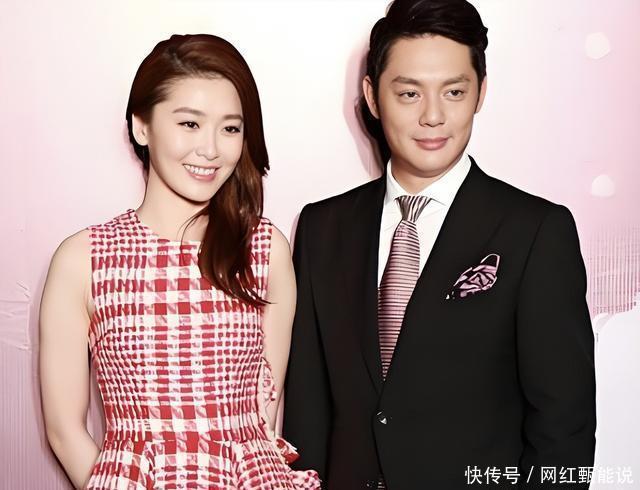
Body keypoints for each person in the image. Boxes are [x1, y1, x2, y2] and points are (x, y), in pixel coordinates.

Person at [283, 1, 596, 488]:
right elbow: (308, 410)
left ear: (480, 93)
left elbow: (564, 431)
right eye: (409, 93)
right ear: (372, 96)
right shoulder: (323, 228)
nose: (433, 116)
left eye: (454, 92)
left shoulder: (536, 231)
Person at [39, 34, 320, 489]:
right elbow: (64, 430)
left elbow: (263, 414)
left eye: (230, 128)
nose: (210, 149)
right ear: (141, 126)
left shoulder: (265, 249)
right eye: (190, 123)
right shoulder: (83, 258)